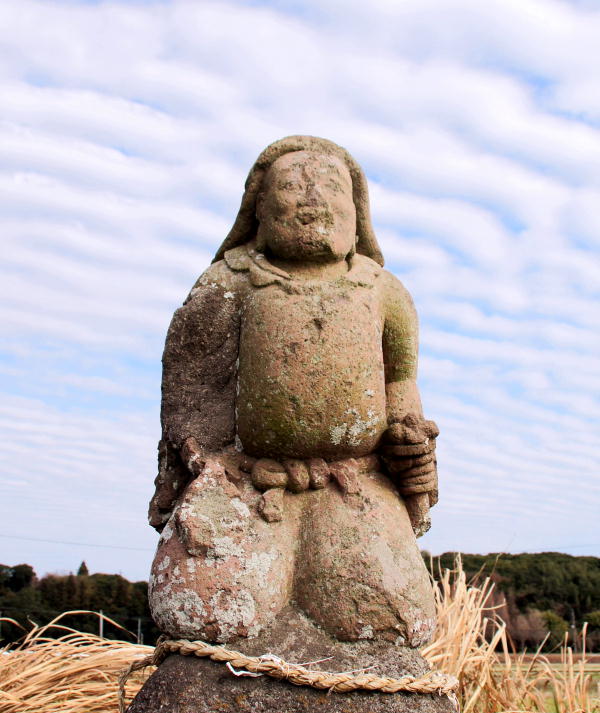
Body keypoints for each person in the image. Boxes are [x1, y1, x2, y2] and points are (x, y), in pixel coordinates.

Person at [148, 135, 438, 648]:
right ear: (258, 207)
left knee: (392, 620)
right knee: (203, 611)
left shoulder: (384, 292)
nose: (312, 197)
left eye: (330, 186)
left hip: (356, 484)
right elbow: (192, 391)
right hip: (247, 483)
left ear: (357, 211)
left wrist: (410, 447)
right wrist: (206, 464)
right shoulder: (230, 283)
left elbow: (400, 385)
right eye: (291, 184)